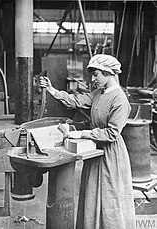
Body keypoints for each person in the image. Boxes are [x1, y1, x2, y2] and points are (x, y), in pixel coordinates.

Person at [40, 54, 136, 229]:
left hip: (110, 155)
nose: (93, 79)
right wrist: (52, 91)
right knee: (91, 193)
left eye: (96, 74)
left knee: (108, 196)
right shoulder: (99, 93)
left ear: (109, 73)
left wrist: (83, 134)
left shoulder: (119, 99)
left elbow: (112, 133)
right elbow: (77, 100)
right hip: (95, 151)